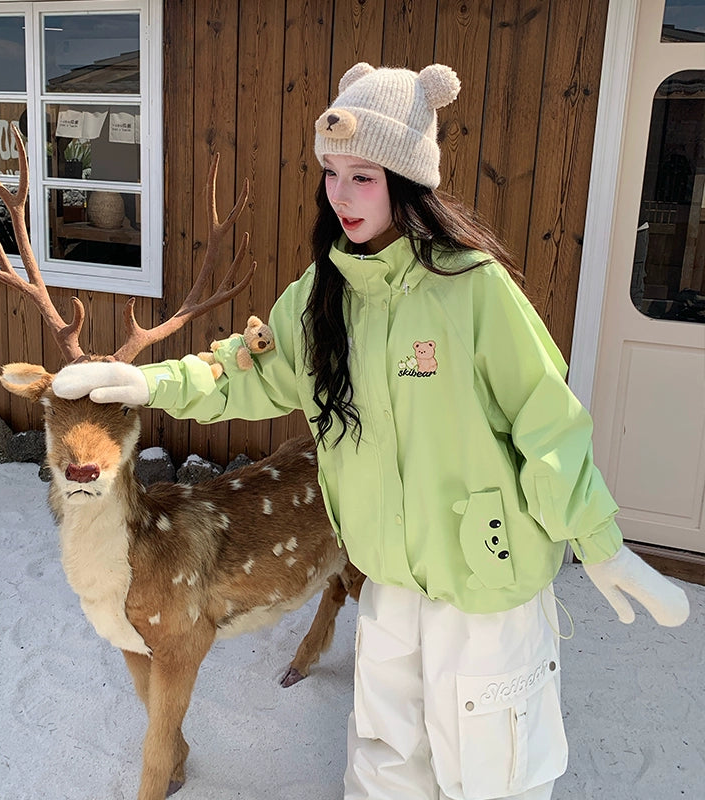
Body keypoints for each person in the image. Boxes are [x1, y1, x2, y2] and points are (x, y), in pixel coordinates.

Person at [53, 62, 690, 800]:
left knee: (489, 772)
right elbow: (247, 371)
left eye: (364, 175)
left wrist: (600, 542)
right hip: (389, 581)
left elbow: (550, 424)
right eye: (332, 174)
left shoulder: (473, 289)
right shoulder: (324, 292)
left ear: (407, 180)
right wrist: (147, 383)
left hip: (485, 589)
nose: (343, 196)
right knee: (387, 765)